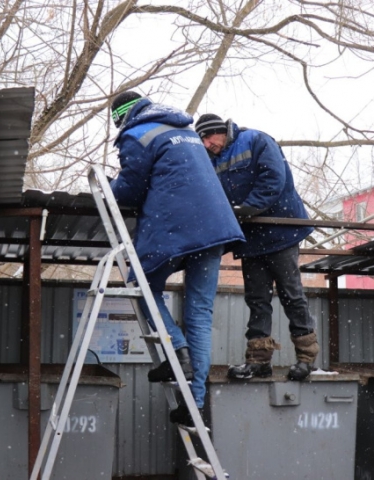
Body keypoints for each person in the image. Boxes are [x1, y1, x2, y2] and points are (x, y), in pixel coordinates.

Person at [109, 91, 245, 425]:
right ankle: (194, 404)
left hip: (176, 225)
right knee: (199, 314)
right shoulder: (185, 131)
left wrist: (107, 188)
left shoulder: (136, 133)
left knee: (143, 290)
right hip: (214, 225)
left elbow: (130, 189)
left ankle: (177, 352)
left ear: (120, 116)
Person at [195, 114, 319, 381]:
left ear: (221, 131)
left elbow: (274, 179)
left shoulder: (256, 140)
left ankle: (306, 359)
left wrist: (246, 209)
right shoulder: (211, 159)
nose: (206, 144)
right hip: (251, 238)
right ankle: (258, 361)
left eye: (208, 138)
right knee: (257, 300)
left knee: (291, 294)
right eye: (202, 140)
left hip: (279, 230)